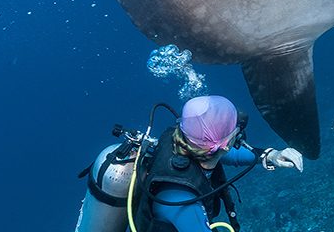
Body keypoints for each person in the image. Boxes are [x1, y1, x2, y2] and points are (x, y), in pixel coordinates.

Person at [75, 95, 303, 232]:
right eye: (235, 129)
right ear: (224, 144)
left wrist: (269, 155)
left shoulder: (184, 142)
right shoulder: (182, 202)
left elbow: (228, 155)